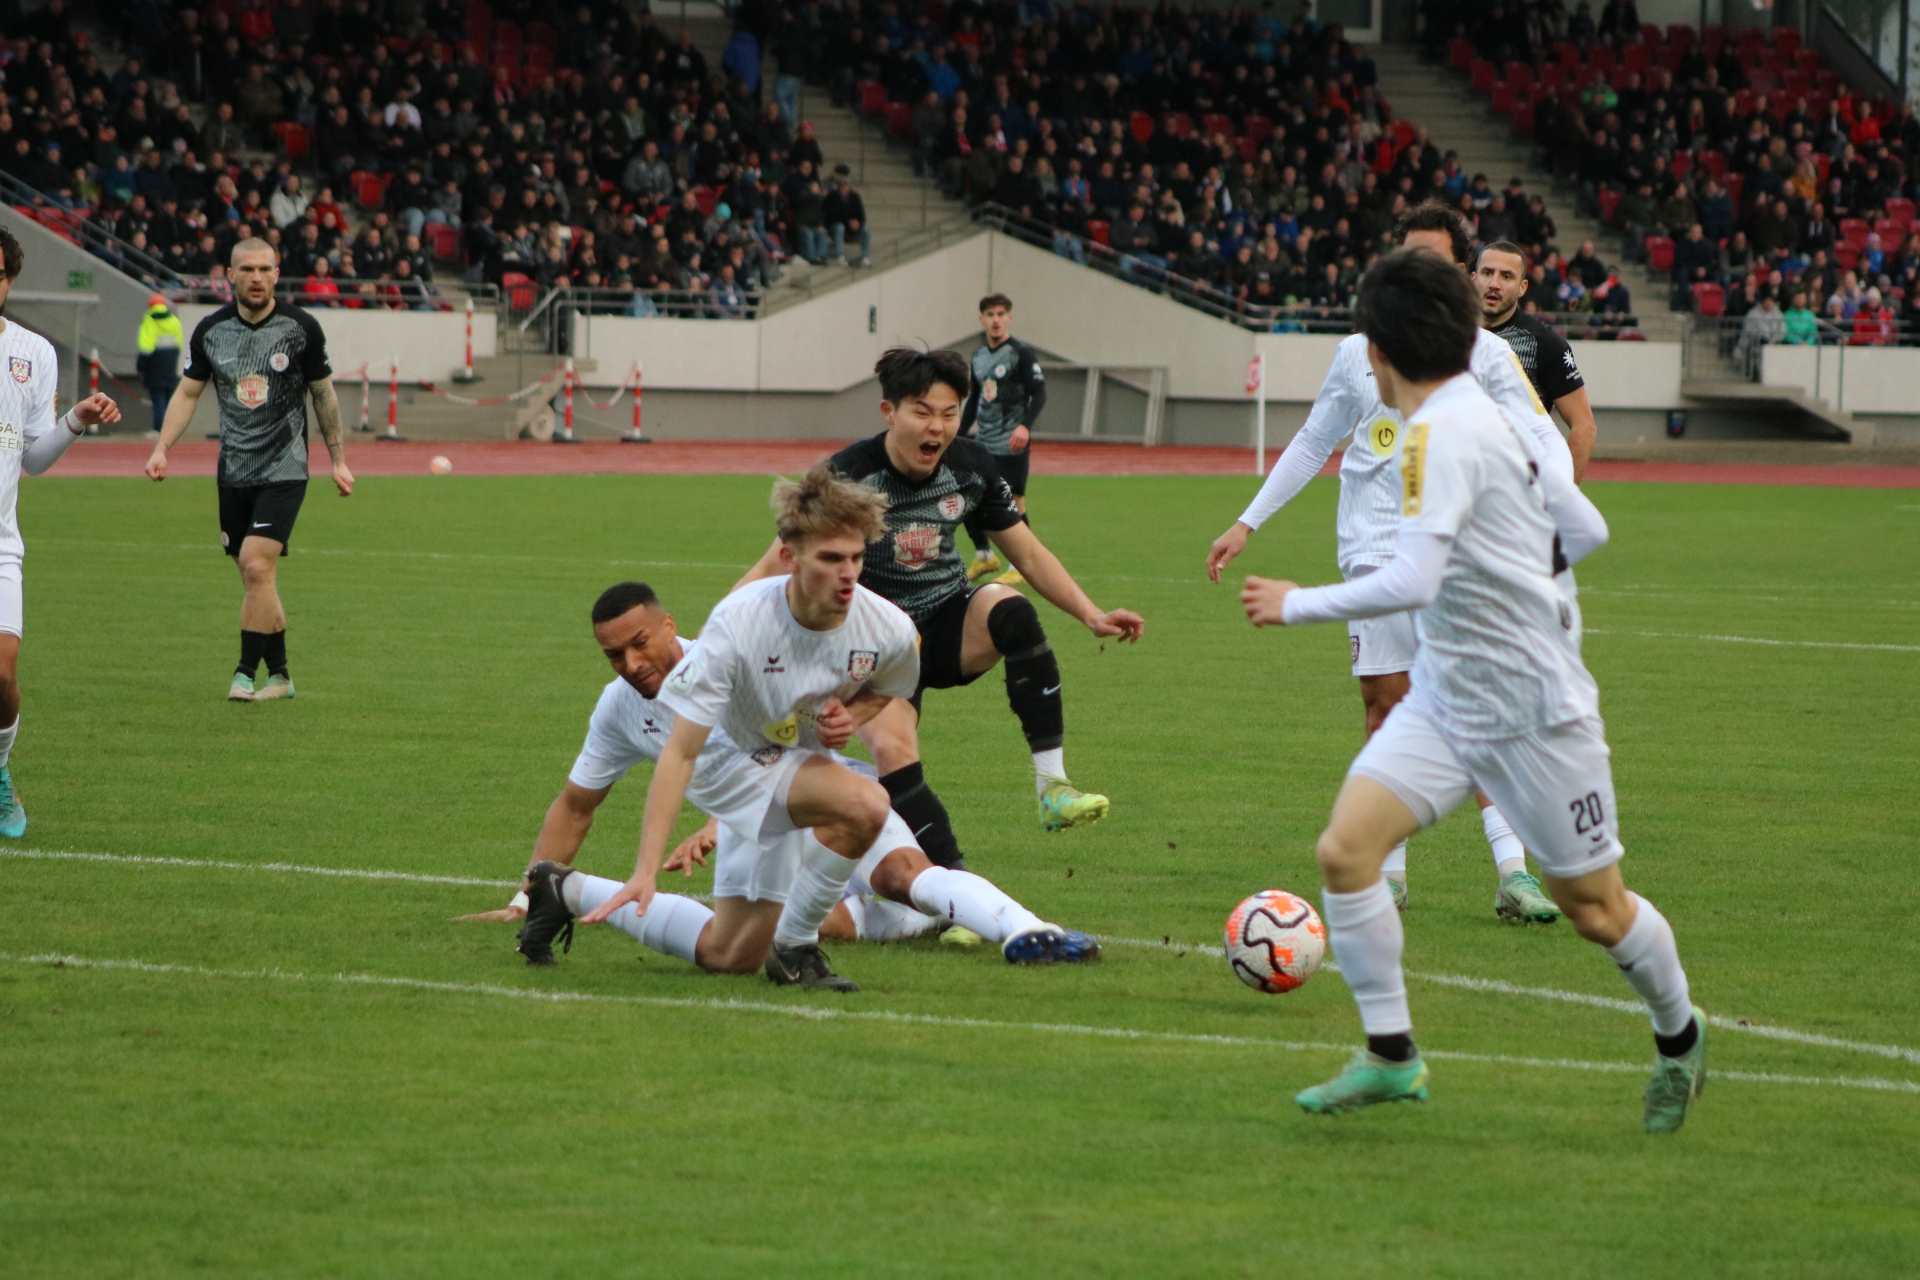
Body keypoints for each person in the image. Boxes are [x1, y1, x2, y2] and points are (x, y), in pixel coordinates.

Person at [1239, 249, 1705, 1133]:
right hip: (1450, 699)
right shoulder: (1473, 415)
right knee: (1346, 853)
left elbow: (1415, 578)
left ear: (1381, 351)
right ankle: (1392, 1057)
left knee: (1596, 909)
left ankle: (1680, 1036)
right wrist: (1525, 574)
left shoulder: (1438, 436)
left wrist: (1297, 603)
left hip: (1537, 712)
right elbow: (1585, 526)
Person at [1207, 203, 1571, 924]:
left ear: (1459, 273)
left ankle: (1513, 873)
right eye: (1407, 259)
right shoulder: (1358, 353)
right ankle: (1392, 873)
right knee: (1386, 706)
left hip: (1460, 553)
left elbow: (1544, 435)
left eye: (1432, 261)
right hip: (1372, 552)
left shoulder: (1486, 354)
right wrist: (1248, 521)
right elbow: (1314, 441)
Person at [498, 581, 1099, 980]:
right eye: (614, 655)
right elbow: (576, 805)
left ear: (669, 626)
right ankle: (565, 890)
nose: (631, 664)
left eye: (639, 644)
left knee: (900, 870)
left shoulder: (728, 660)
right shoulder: (619, 708)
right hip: (760, 831)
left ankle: (1028, 929)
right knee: (730, 956)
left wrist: (837, 721)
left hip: (823, 796)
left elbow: (788, 746)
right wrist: (520, 898)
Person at [738, 349, 1143, 863]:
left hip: (950, 621)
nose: (938, 426)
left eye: (950, 414)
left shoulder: (971, 467)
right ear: (889, 412)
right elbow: (774, 565)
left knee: (1010, 608)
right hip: (874, 644)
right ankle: (950, 888)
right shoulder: (847, 476)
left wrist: (1091, 614)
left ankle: (1053, 787)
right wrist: (713, 641)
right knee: (894, 752)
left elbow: (1028, 553)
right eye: (923, 412)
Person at [144, 238, 353, 702]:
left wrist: (337, 460)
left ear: (277, 274)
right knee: (257, 578)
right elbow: (188, 393)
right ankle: (281, 676)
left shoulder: (301, 328)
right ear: (230, 275)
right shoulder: (211, 330)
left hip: (285, 467)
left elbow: (323, 394)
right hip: (233, 472)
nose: (256, 277)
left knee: (256, 564)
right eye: (247, 269)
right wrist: (162, 448)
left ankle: (243, 674)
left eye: (264, 269)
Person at [0, 226, 122, 837]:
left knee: (2, 675)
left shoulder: (34, 353)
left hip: (0, 547)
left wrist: (75, 418)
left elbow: (34, 461)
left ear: (10, 280)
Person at [1472, 241, 1599, 480]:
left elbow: (1584, 426)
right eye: (1487, 273)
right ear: (1472, 278)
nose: (1494, 284)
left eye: (1506, 277)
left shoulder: (1544, 343)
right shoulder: (1449, 335)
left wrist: (1563, 494)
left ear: (1523, 287)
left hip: (1515, 489)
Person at [958, 294, 1048, 586]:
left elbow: (1039, 393)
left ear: (1009, 318)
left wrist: (1025, 427)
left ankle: (1019, 566)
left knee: (1013, 502)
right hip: (983, 442)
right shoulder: (978, 357)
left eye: (1000, 314)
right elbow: (974, 401)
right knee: (965, 494)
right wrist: (956, 436)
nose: (995, 320)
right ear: (981, 319)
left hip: (1011, 444)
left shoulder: (1021, 353)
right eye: (990, 314)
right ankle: (984, 555)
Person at [135, 292, 185, 439]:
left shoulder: (149, 320)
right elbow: (179, 344)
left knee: (158, 399)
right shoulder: (174, 320)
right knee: (168, 399)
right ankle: (170, 430)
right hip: (170, 364)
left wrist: (140, 366)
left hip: (154, 365)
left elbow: (146, 347)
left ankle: (158, 430)